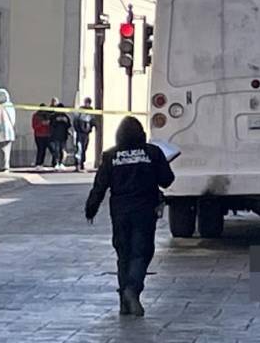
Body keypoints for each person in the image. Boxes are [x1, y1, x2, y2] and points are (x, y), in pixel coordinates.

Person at [85, 116, 175, 317]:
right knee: (141, 252)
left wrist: (91, 208)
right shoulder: (153, 152)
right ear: (141, 134)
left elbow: (100, 185)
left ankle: (124, 302)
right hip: (144, 210)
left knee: (123, 253)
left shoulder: (111, 155)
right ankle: (132, 290)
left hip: (119, 211)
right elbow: (167, 180)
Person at [0, 88, 16, 172]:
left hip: (5, 130)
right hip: (0, 131)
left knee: (4, 150)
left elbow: (12, 118)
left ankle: (5, 166)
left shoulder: (8, 106)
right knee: (0, 150)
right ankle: (0, 166)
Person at [73, 97, 98, 171]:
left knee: (84, 149)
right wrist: (77, 129)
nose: (87, 104)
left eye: (88, 103)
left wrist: (95, 126)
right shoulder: (81, 110)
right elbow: (76, 120)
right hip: (80, 132)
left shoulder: (91, 111)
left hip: (86, 133)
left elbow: (93, 121)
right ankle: (77, 164)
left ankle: (82, 163)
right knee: (79, 148)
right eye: (86, 102)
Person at [48, 97, 73, 169]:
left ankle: (61, 163)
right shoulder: (53, 116)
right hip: (55, 136)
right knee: (56, 151)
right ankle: (56, 163)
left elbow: (69, 125)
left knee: (61, 150)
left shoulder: (66, 117)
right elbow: (51, 125)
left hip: (63, 136)